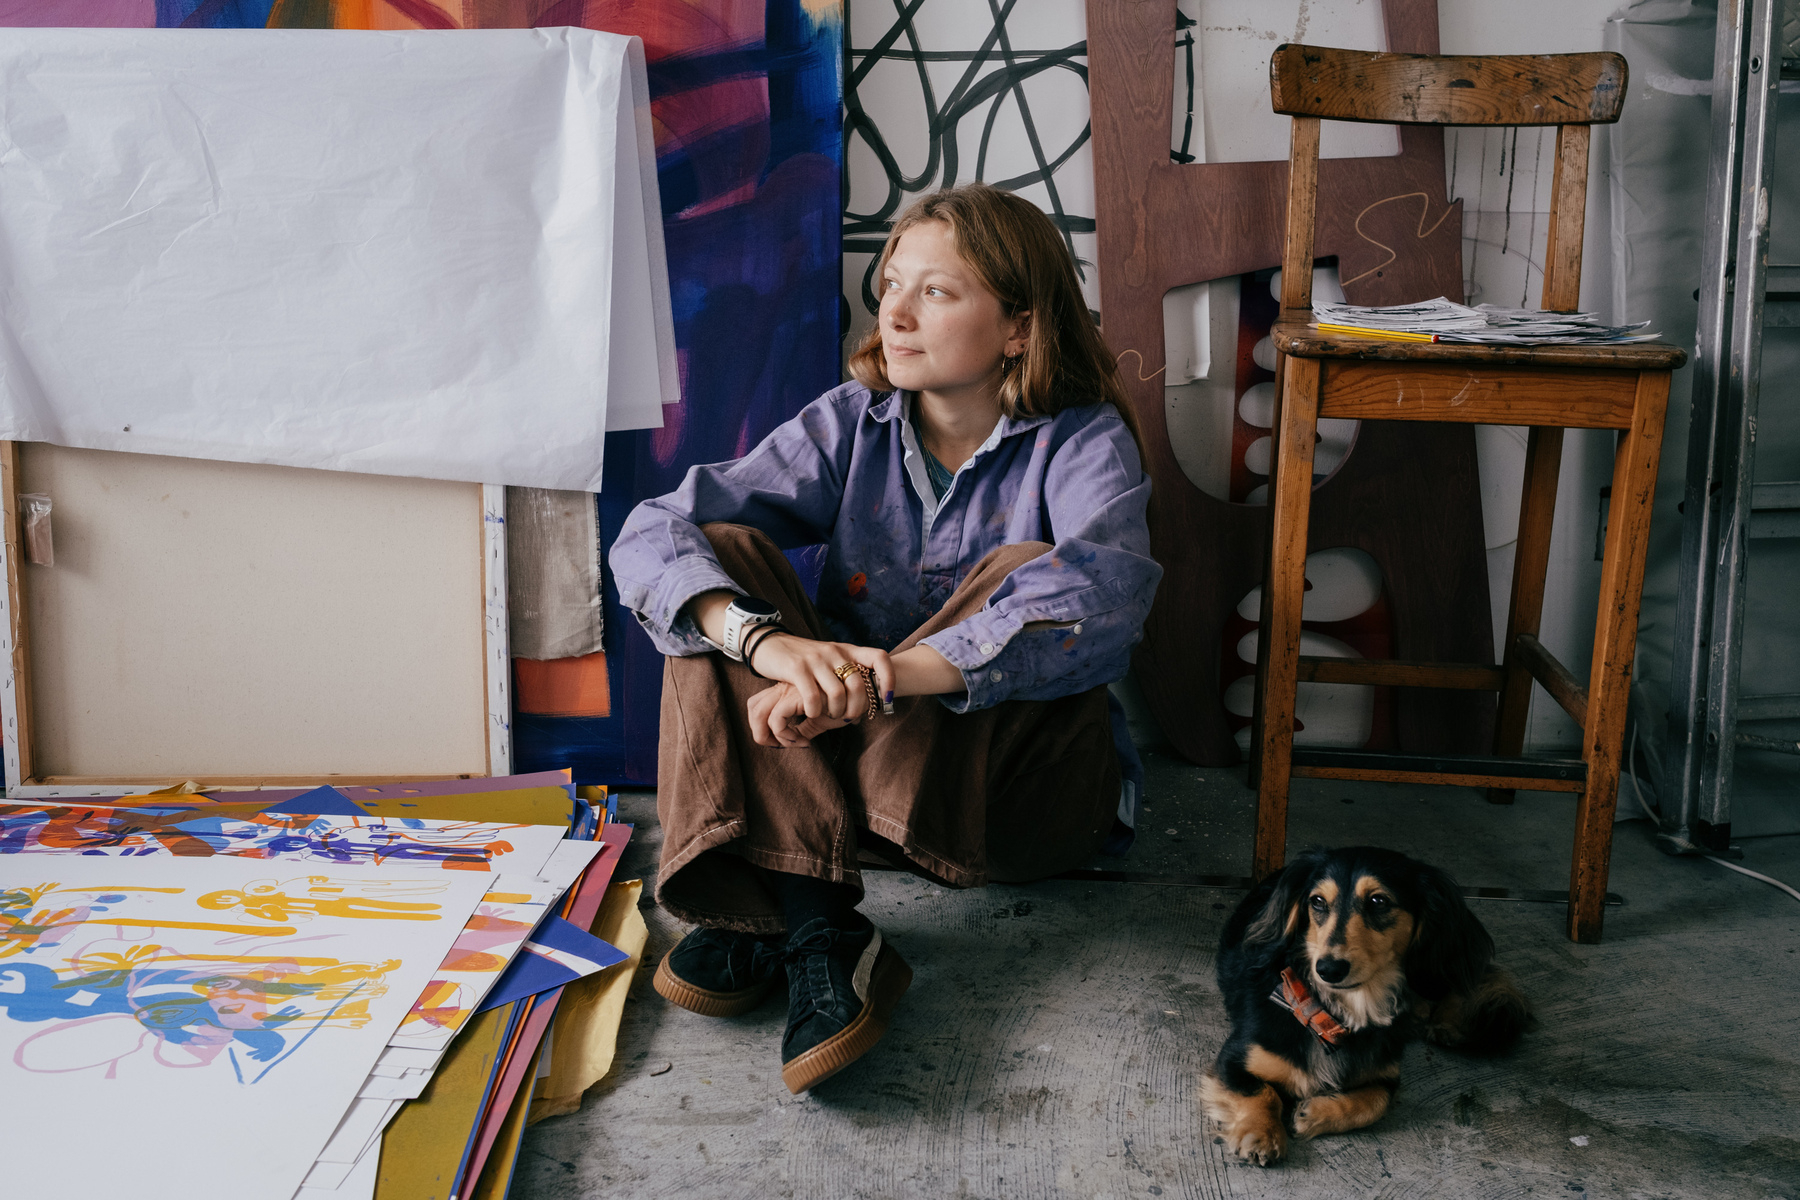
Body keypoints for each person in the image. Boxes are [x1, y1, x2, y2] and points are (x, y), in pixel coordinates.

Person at [610, 182, 1162, 1094]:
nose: (895, 314)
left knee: (1028, 568)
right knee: (721, 553)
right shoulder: (850, 421)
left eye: (936, 293)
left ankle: (774, 902)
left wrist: (888, 676)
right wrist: (768, 647)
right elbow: (653, 529)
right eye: (892, 284)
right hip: (853, 795)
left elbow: (1104, 606)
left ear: (1019, 326)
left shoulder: (1081, 440)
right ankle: (824, 924)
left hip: (1013, 804)